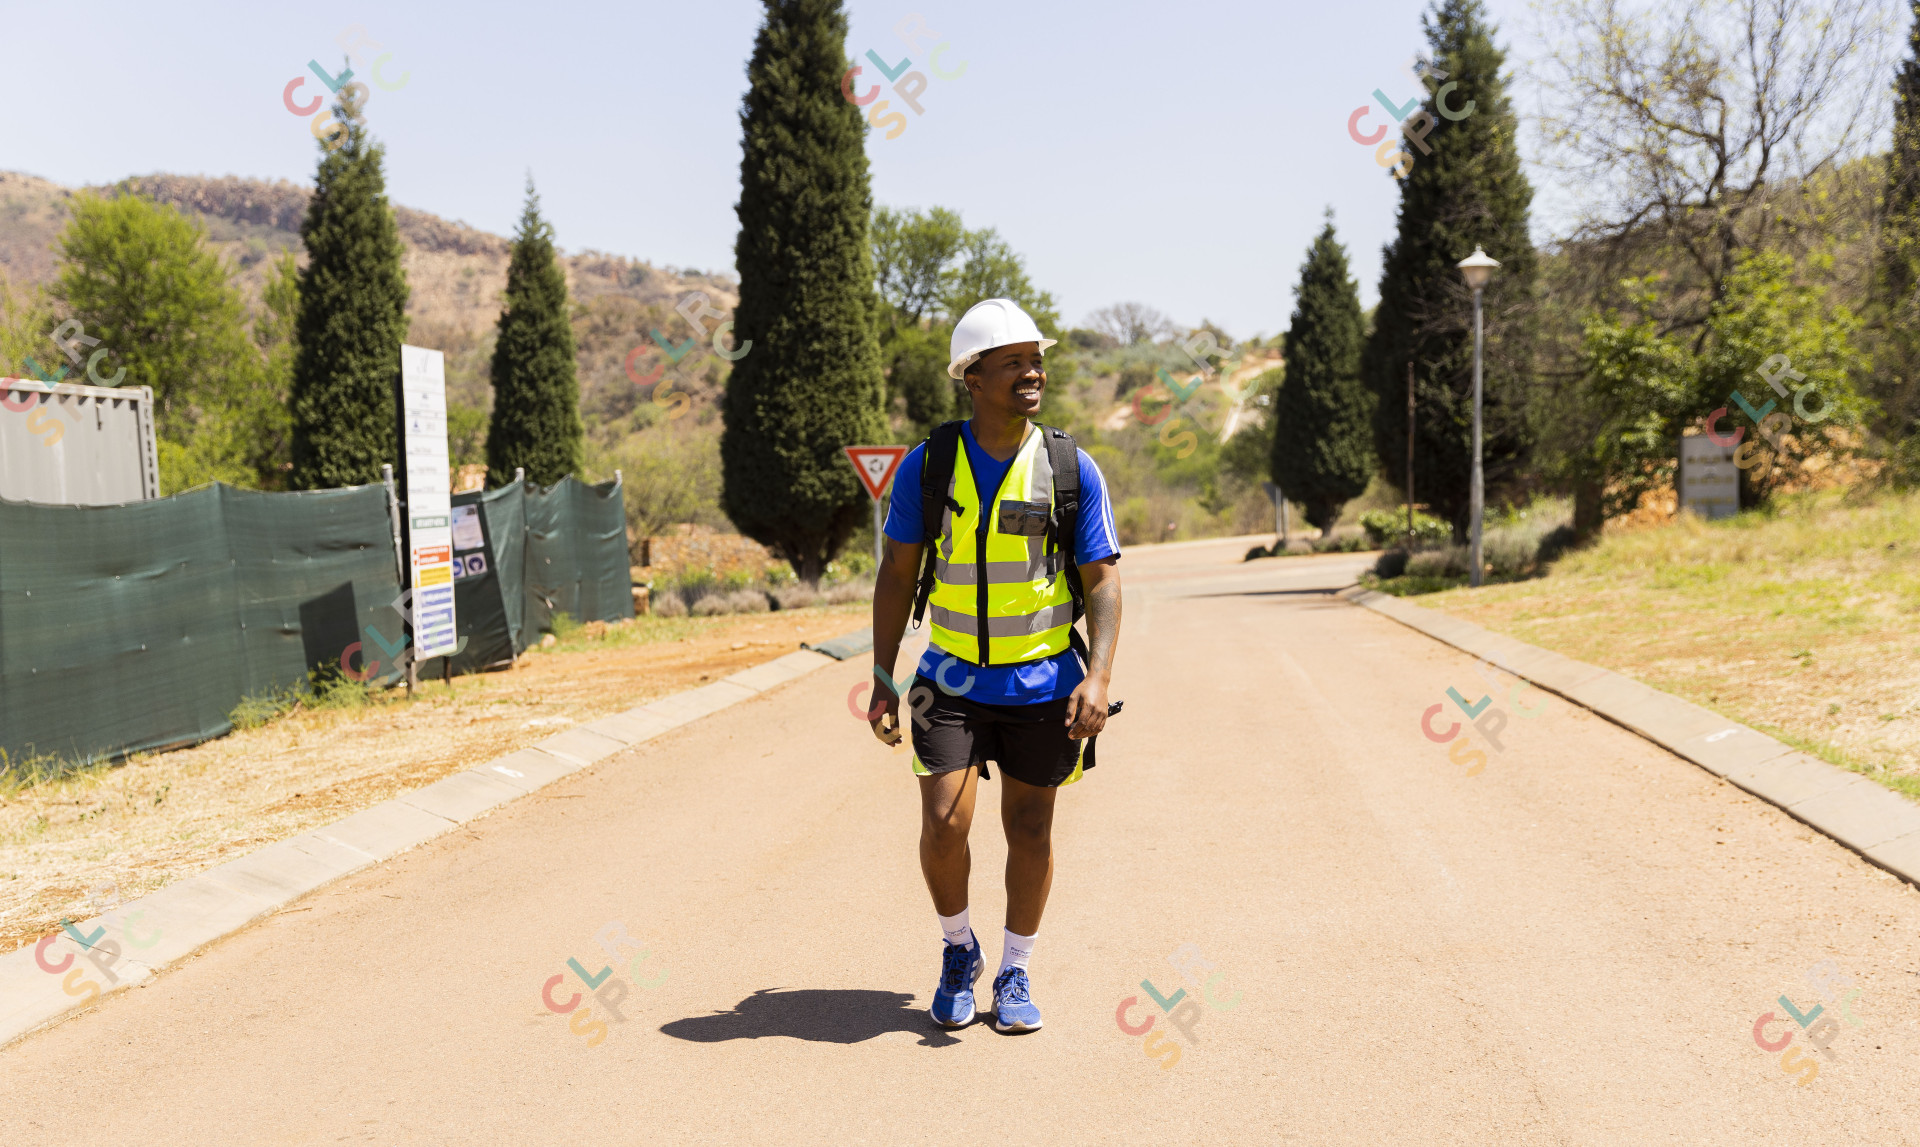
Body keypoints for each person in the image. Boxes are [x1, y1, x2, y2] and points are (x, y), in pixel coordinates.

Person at [867, 298, 1123, 1033]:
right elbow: (895, 574)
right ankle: (957, 950)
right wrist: (884, 676)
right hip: (947, 680)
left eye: (1036, 358)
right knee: (945, 820)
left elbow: (1102, 578)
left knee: (1032, 828)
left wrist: (1098, 676)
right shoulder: (930, 465)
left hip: (1043, 681)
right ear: (972, 377)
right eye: (1012, 361)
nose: (1032, 371)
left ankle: (1015, 968)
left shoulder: (1070, 469)